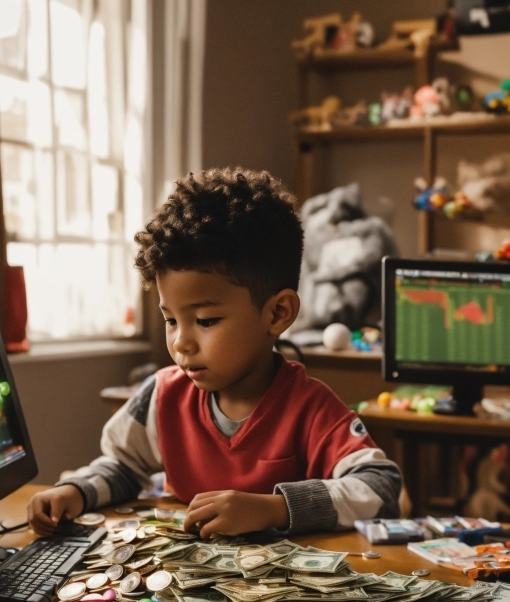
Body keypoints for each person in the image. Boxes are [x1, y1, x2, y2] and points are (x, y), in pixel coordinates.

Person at [28, 168, 401, 537]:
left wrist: (274, 508)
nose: (180, 343)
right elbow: (123, 467)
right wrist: (75, 491)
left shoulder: (309, 408)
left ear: (278, 313)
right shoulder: (161, 396)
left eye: (206, 321)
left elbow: (380, 488)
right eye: (171, 320)